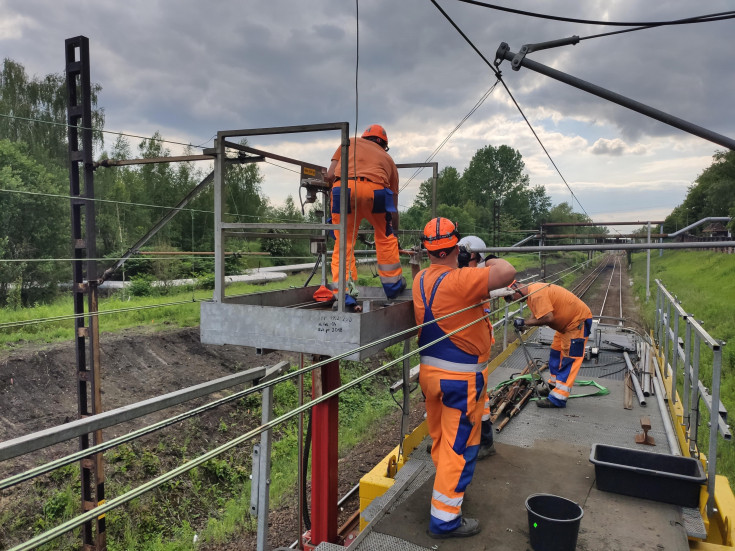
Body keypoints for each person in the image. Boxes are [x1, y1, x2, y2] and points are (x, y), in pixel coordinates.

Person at [413, 218, 516, 538]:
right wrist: (488, 259)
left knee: (443, 442)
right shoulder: (460, 280)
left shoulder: (419, 280)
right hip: (459, 383)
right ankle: (444, 520)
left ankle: (448, 492)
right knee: (460, 448)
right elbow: (507, 272)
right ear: (456, 248)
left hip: (431, 378)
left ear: (428, 250)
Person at [325, 124, 406, 301]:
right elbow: (393, 205)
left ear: (364, 138)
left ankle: (345, 293)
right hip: (375, 192)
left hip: (343, 190)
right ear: (383, 144)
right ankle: (393, 286)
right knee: (384, 238)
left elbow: (330, 175)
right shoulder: (388, 159)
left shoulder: (348, 143)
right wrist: (395, 234)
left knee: (344, 241)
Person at [505, 281, 593, 408]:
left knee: (569, 359)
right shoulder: (531, 294)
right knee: (556, 353)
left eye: (510, 297)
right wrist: (525, 325)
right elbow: (537, 315)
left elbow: (548, 318)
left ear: (516, 288)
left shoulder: (536, 294)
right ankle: (552, 386)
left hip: (577, 323)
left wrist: (526, 322)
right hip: (565, 326)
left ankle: (559, 398)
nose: (512, 300)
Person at [457, 235, 496, 459]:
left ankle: (484, 442)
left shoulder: (479, 278)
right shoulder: (469, 275)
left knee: (476, 400)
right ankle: (476, 441)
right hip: (465, 347)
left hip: (474, 350)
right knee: (473, 399)